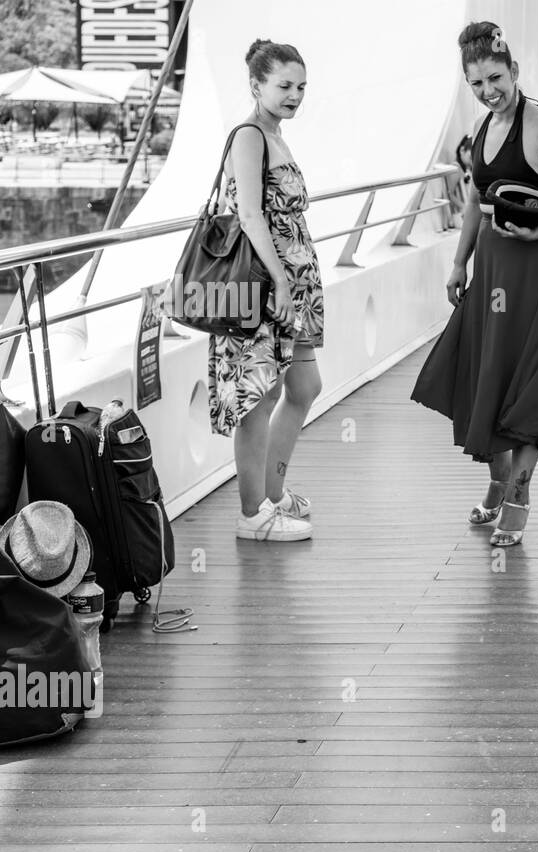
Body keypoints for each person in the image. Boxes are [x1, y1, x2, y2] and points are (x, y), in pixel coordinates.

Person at [411, 22, 538, 548]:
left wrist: (536, 229)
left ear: (516, 71)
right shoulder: (483, 129)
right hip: (493, 272)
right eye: (477, 83)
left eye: (495, 78)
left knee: (532, 384)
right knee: (490, 378)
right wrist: (459, 265)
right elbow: (478, 206)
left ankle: (519, 494)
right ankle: (498, 485)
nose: (488, 91)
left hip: (537, 272)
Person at [211, 39, 322, 542]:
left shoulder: (276, 133)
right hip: (261, 286)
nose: (295, 94)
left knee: (302, 388)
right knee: (259, 396)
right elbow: (251, 214)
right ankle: (253, 513)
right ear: (256, 85)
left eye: (300, 86)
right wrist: (280, 280)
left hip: (293, 289)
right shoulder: (250, 135)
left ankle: (273, 493)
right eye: (284, 85)